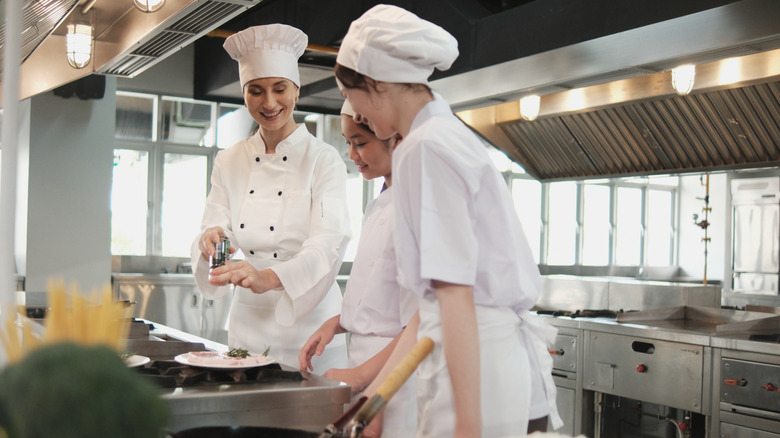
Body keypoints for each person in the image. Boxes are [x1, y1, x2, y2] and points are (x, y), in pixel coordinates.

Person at [334, 5, 562, 437]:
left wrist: (468, 426)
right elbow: (432, 306)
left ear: (377, 83)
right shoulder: (440, 136)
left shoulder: (426, 148)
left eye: (356, 99)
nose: (358, 114)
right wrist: (373, 399)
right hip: (478, 362)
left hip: (477, 375)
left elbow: (455, 296)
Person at [190, 23, 351, 370]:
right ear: (244, 94)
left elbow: (328, 244)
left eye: (279, 89)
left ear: (296, 89)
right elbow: (220, 231)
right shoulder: (229, 160)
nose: (269, 102)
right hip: (248, 327)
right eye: (255, 91)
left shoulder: (323, 159)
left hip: (311, 326)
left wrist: (270, 278)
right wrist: (213, 242)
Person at [298, 100, 416, 436]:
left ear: (397, 138)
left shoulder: (416, 208)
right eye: (347, 143)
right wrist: (337, 323)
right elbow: (379, 295)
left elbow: (422, 322)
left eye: (360, 143)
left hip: (398, 375)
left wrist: (368, 382)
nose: (351, 155)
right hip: (365, 367)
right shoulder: (380, 201)